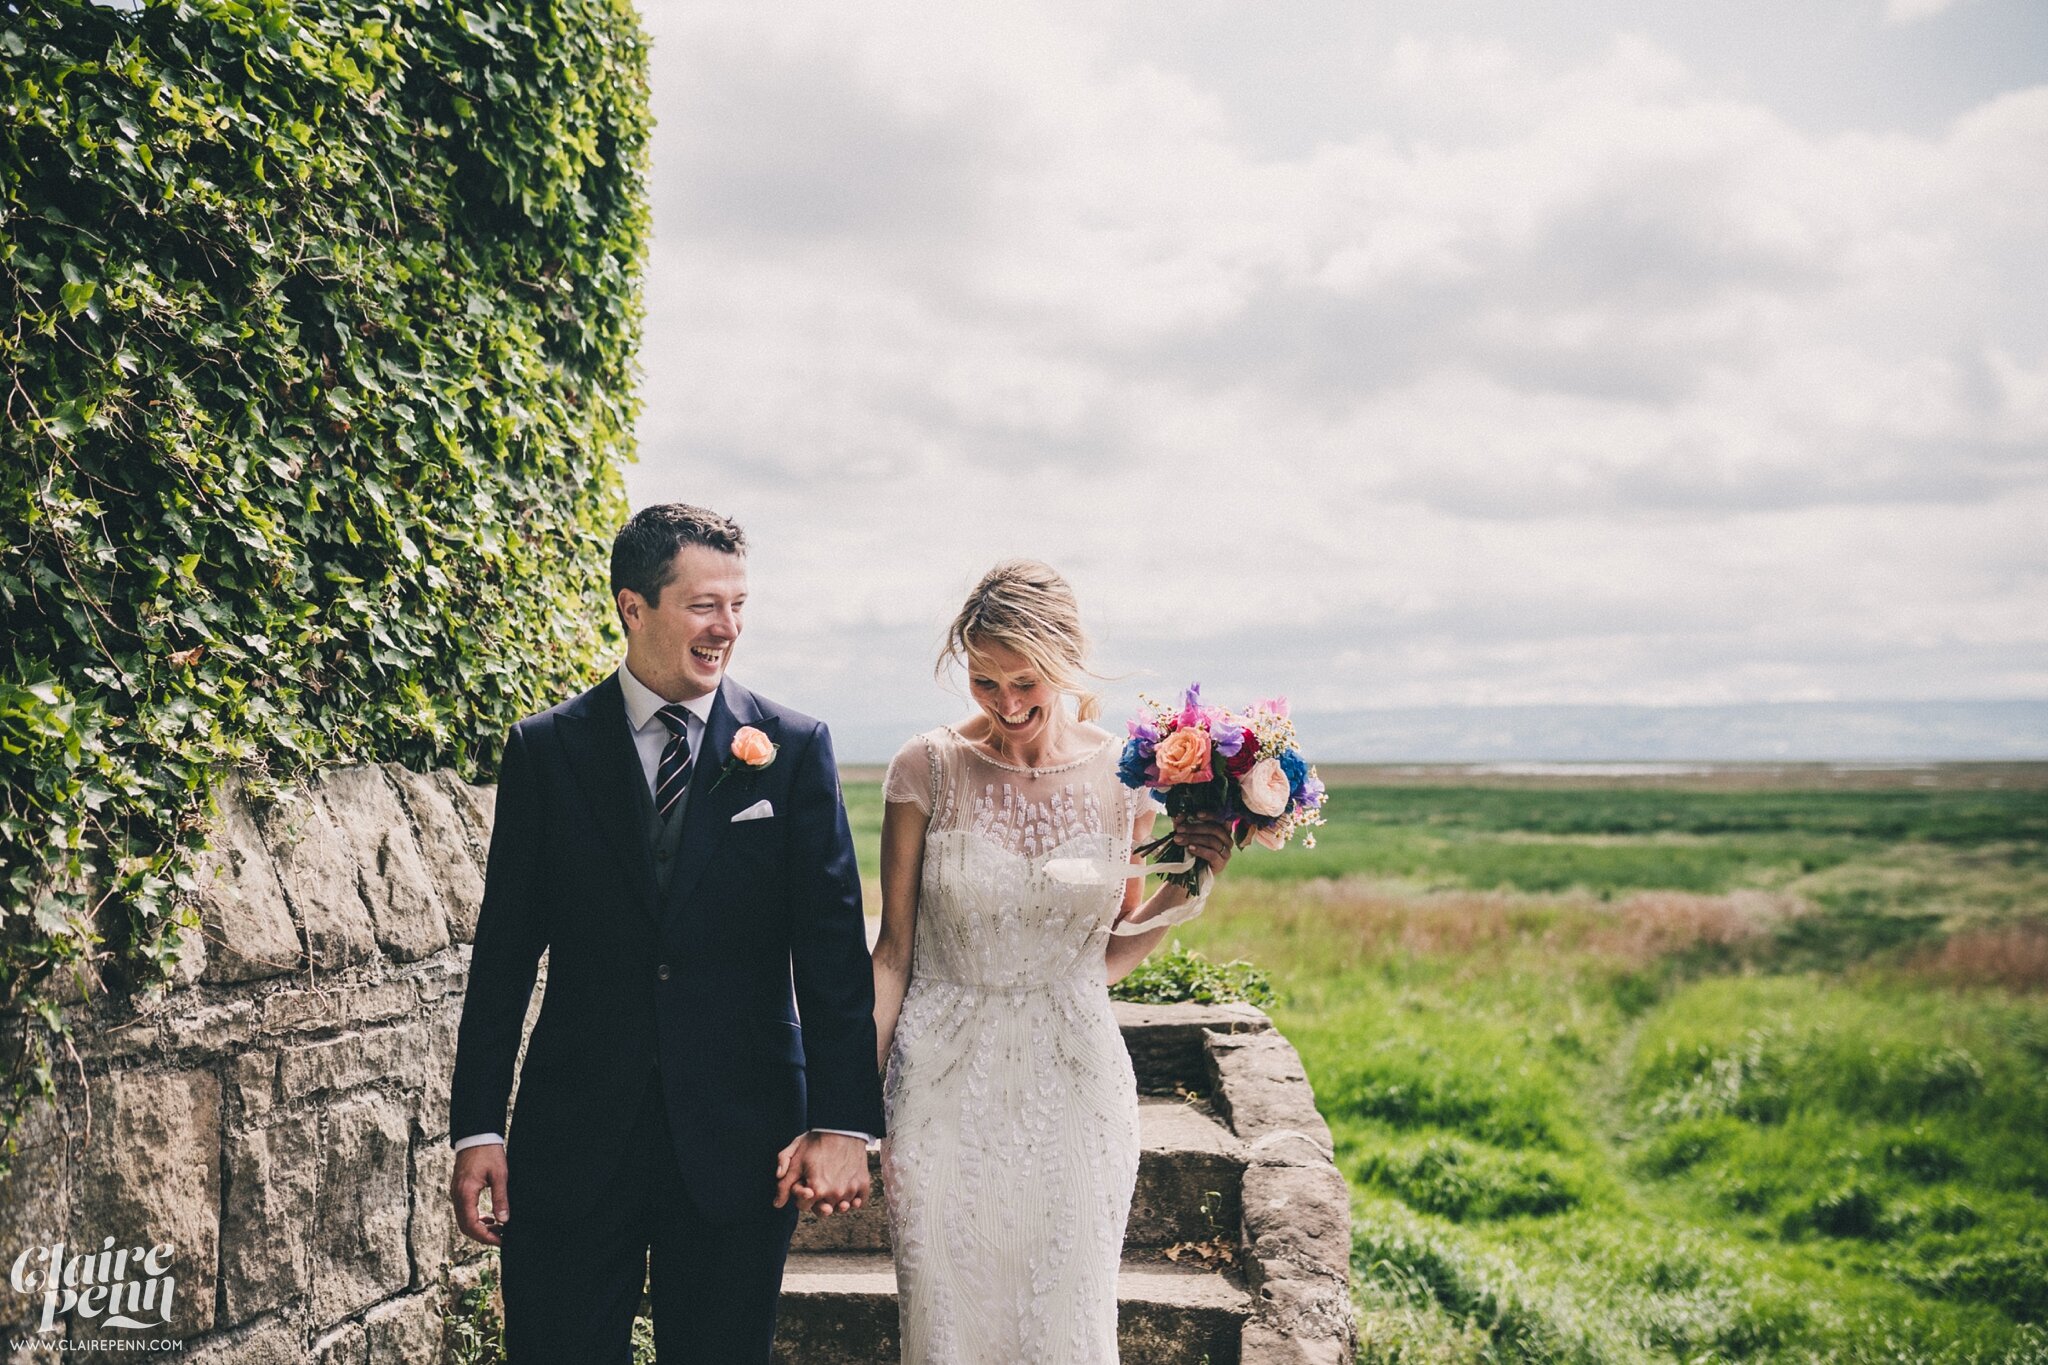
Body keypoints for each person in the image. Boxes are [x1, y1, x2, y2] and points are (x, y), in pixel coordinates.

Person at [446, 503, 884, 1364]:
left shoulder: (793, 749)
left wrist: (842, 1119)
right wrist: (477, 1127)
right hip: (573, 1136)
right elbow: (503, 952)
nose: (727, 628)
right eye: (703, 605)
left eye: (739, 605)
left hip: (741, 1136)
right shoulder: (546, 750)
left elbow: (831, 949)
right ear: (633, 606)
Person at [871, 560, 1235, 1363]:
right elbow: (893, 953)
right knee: (946, 1324)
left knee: (1064, 1326)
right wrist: (846, 1101)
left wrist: (1197, 883)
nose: (1007, 706)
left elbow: (1104, 956)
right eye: (984, 682)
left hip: (1074, 1081)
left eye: (1025, 682)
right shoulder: (923, 768)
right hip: (940, 1084)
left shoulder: (1126, 780)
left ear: (1065, 664)